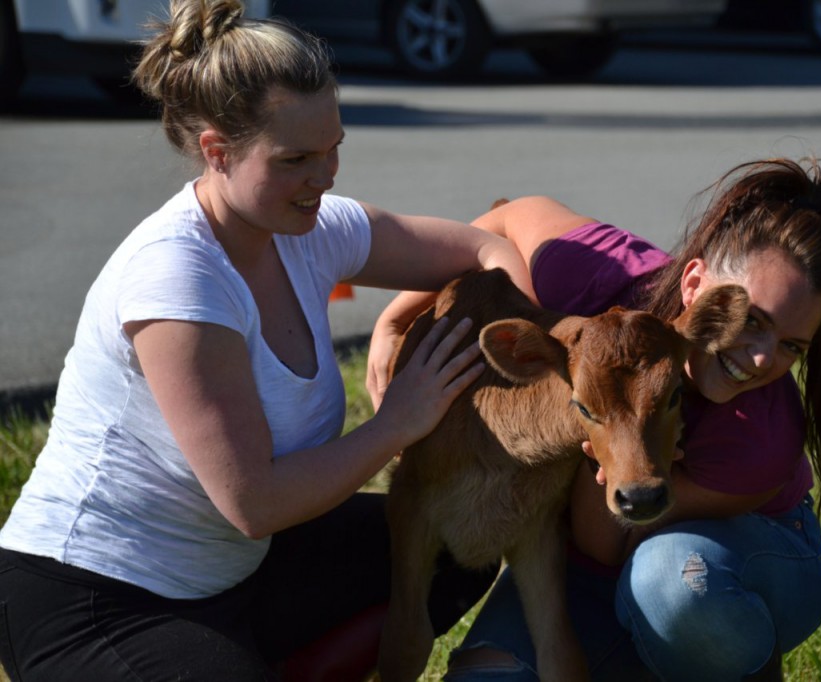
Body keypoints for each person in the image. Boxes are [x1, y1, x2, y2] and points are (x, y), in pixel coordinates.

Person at [0, 1, 535, 680]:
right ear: (217, 152)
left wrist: (522, 338)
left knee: (461, 538)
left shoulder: (314, 226)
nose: (326, 175)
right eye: (297, 159)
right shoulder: (178, 276)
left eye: (335, 146)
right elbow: (253, 504)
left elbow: (485, 246)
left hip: (237, 574)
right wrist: (399, 422)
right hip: (96, 599)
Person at [365, 156, 821, 681]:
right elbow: (507, 217)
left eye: (790, 346)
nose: (759, 358)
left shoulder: (757, 437)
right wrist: (395, 320)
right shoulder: (610, 277)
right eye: (751, 320)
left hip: (727, 562)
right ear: (695, 288)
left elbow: (610, 539)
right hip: (589, 569)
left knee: (673, 585)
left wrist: (613, 448)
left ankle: (739, 667)